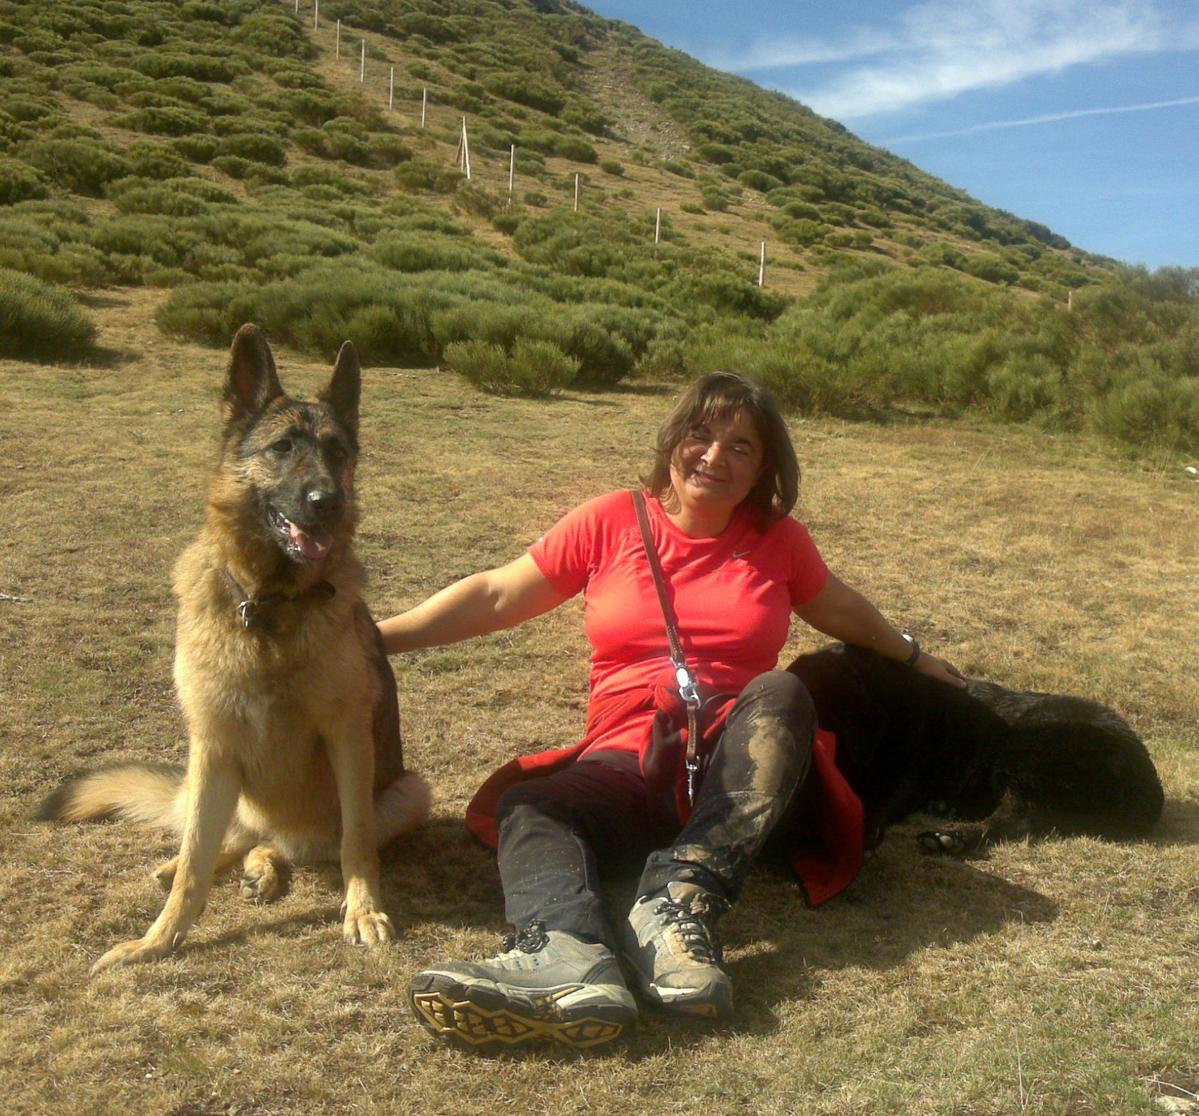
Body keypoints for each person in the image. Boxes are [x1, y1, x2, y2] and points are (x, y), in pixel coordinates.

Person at [379, 371, 965, 1052]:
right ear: (673, 442)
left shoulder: (778, 541)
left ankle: (678, 906)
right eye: (700, 434)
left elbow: (839, 607)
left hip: (740, 768)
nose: (714, 457)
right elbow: (497, 594)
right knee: (533, 807)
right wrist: (373, 638)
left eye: (740, 447)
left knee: (781, 692)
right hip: (627, 757)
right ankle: (566, 954)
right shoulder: (609, 521)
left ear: (763, 469)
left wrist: (913, 655)